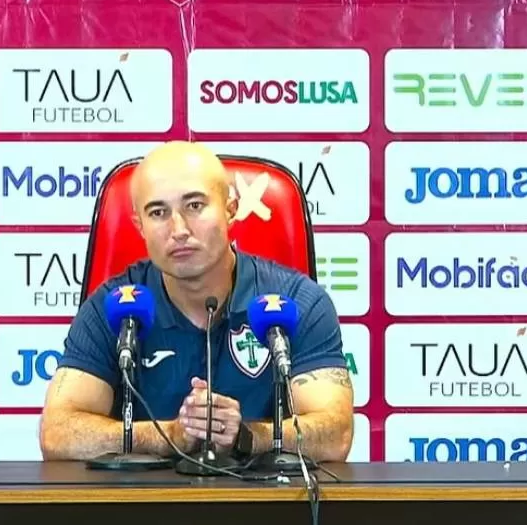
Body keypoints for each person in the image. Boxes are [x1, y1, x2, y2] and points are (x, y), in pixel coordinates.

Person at [38, 141, 353, 463]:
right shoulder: (113, 307)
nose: (179, 230)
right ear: (140, 226)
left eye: (195, 206)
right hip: (142, 495)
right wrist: (172, 435)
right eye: (158, 213)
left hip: (267, 495)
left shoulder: (298, 302)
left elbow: (336, 435)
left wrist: (245, 436)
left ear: (230, 209)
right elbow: (57, 434)